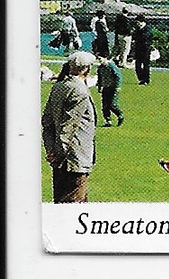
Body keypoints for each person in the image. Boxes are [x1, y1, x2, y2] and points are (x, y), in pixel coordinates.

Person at [42, 51, 97, 202]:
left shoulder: (59, 86)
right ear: (87, 68)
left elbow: (47, 122)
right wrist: (59, 155)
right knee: (73, 208)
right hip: (72, 159)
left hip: (60, 156)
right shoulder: (79, 91)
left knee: (62, 204)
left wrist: (51, 151)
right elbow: (69, 127)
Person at [96, 55, 124, 126]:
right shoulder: (100, 68)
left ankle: (120, 115)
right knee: (105, 105)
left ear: (105, 58)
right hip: (106, 87)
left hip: (113, 87)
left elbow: (118, 76)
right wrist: (99, 87)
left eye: (100, 58)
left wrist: (118, 86)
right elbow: (100, 78)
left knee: (112, 104)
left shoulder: (111, 66)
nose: (99, 60)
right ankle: (108, 121)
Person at [130, 17, 153, 85]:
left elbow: (146, 37)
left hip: (145, 49)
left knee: (146, 65)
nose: (137, 24)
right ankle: (141, 79)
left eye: (138, 22)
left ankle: (146, 79)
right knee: (138, 65)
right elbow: (134, 37)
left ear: (142, 21)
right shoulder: (137, 29)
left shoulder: (147, 28)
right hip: (138, 48)